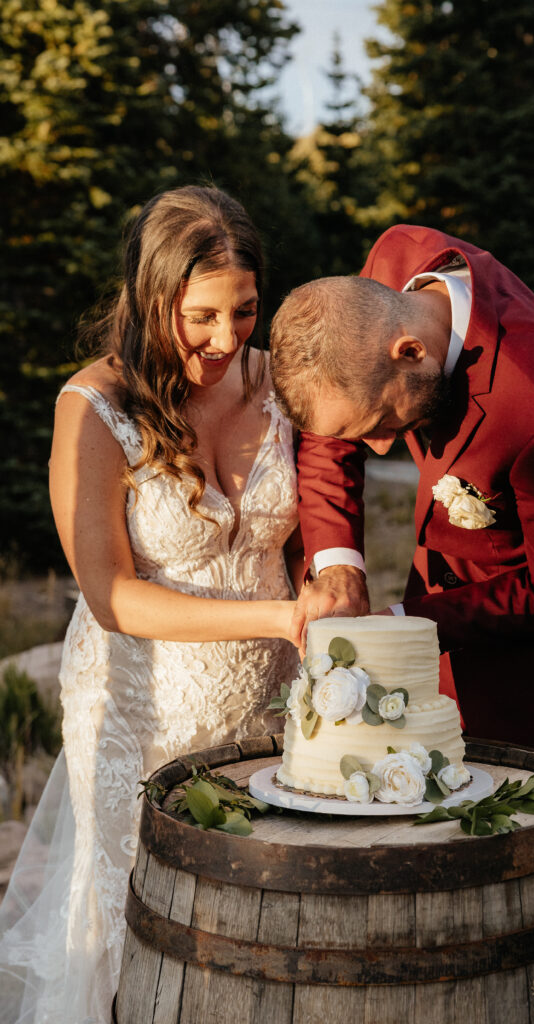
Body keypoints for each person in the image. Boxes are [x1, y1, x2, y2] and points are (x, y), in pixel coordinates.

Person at [0, 185, 302, 1023]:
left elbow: (313, 533)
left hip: (272, 712)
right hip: (142, 719)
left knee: (259, 935)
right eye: (199, 315)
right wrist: (279, 617)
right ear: (149, 294)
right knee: (142, 940)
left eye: (243, 312)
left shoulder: (279, 385)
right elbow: (111, 596)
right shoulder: (92, 407)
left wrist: (327, 594)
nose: (224, 338)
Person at [269, 222, 534, 781]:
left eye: (382, 424)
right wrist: (338, 566)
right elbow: (332, 427)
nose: (378, 447)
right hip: (435, 633)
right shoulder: (392, 267)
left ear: (411, 351)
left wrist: (400, 625)